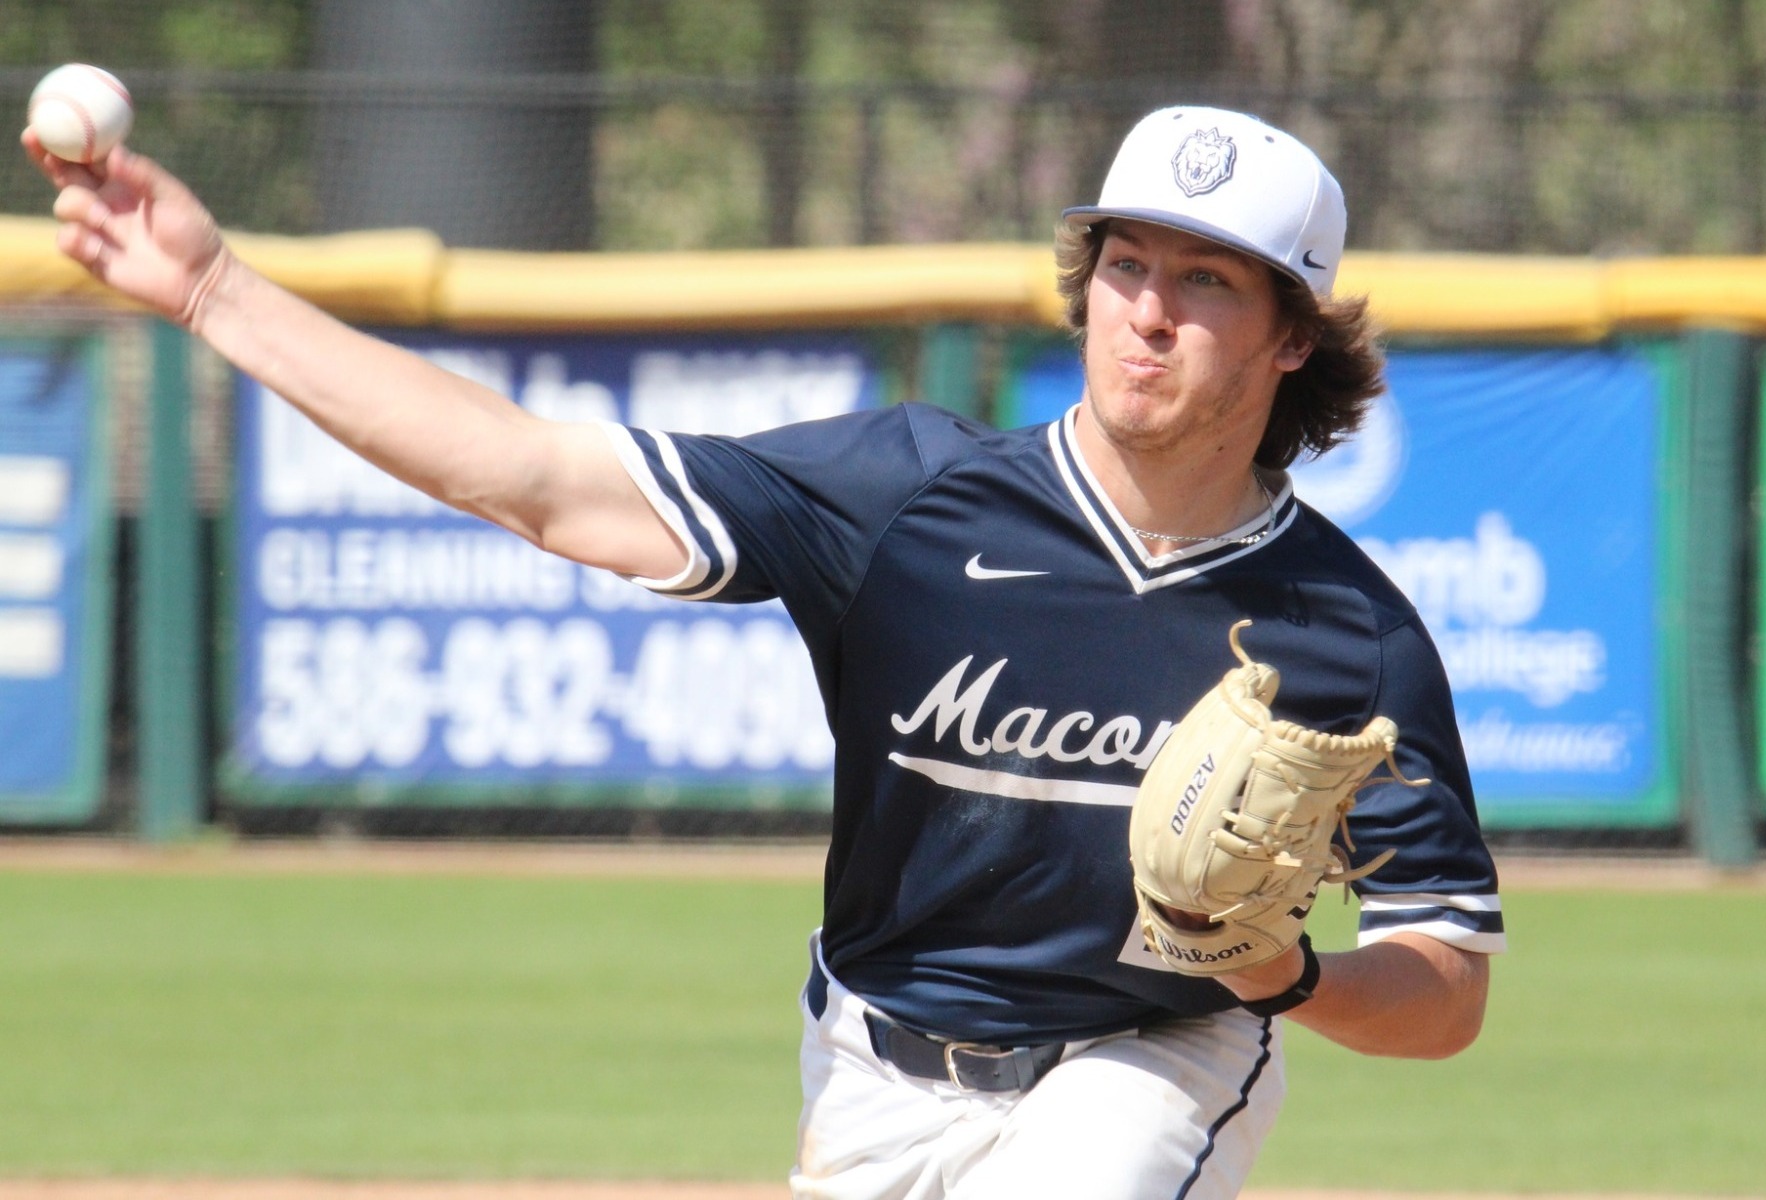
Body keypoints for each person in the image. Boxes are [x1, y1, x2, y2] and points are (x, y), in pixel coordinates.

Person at [27, 104, 1503, 1199]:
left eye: (1210, 283)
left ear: (1293, 337)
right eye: (1127, 266)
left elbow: (1444, 985)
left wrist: (1286, 979)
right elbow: (529, 479)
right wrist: (217, 290)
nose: (1150, 315)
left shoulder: (1342, 629)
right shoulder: (909, 497)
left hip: (1149, 1068)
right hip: (874, 1066)